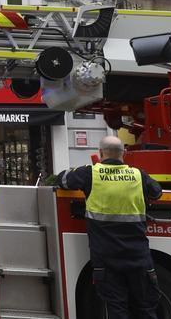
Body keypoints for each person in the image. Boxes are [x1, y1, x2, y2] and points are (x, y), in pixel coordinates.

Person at [57, 135, 162, 319]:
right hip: (138, 256)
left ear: (100, 153)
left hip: (107, 259)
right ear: (124, 153)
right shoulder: (139, 175)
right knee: (145, 308)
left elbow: (63, 180)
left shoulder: (90, 173)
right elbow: (157, 192)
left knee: (117, 308)